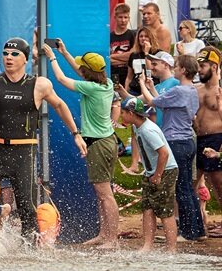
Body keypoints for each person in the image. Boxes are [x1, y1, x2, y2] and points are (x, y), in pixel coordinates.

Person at [0, 37, 87, 243]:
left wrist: (76, 134)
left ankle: (29, 258)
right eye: (6, 53)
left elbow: (60, 106)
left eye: (14, 54)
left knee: (27, 211)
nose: (8, 57)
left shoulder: (39, 85)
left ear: (25, 59)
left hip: (24, 153)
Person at [43, 43, 120, 248]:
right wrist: (65, 52)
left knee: (105, 194)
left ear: (88, 72)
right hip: (107, 141)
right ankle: (104, 235)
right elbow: (82, 72)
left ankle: (112, 239)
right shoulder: (107, 83)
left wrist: (52, 58)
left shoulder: (91, 88)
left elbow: (61, 79)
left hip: (99, 144)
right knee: (101, 193)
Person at [139, 52, 205, 241]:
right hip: (187, 141)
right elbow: (164, 104)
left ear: (183, 70)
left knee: (181, 188)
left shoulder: (178, 91)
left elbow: (152, 102)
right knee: (187, 187)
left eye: (176, 67)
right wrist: (153, 88)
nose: (174, 69)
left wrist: (143, 83)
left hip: (176, 141)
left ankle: (187, 231)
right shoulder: (191, 90)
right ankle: (197, 229)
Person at [119, 97, 178, 252]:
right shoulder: (137, 127)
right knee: (148, 208)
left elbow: (163, 153)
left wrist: (158, 175)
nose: (120, 116)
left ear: (131, 113)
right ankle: (147, 246)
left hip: (165, 170)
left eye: (123, 112)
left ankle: (171, 249)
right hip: (152, 171)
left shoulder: (148, 130)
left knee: (165, 211)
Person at [195, 48, 222, 231]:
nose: (199, 70)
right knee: (191, 183)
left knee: (219, 184)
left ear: (214, 66)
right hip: (198, 140)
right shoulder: (196, 90)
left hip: (216, 138)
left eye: (203, 66)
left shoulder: (220, 91)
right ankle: (197, 222)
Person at [108, 3, 136, 87]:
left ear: (129, 18)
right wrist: (125, 59)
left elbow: (132, 56)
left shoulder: (133, 34)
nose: (123, 20)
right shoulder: (110, 37)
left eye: (125, 17)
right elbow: (107, 60)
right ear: (115, 18)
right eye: (120, 17)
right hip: (113, 74)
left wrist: (112, 56)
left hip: (128, 74)